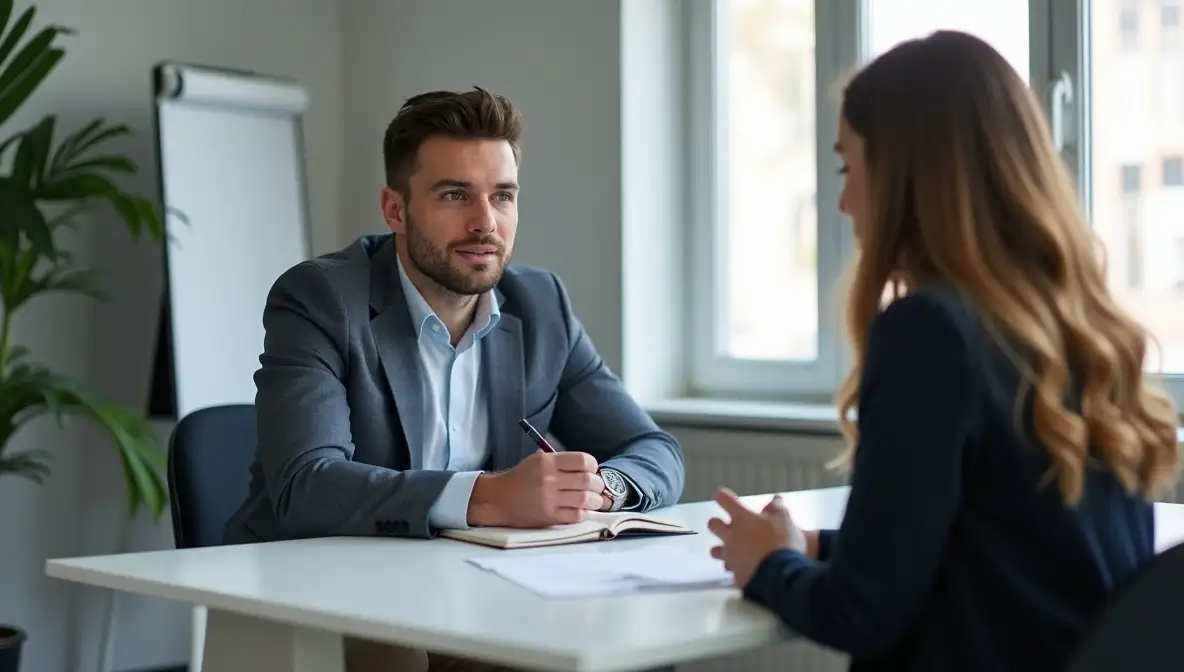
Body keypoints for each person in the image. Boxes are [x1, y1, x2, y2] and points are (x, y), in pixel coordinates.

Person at [707, 30, 1182, 672]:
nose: (844, 203)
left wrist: (769, 566)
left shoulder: (930, 333)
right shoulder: (1085, 332)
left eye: (849, 167)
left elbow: (860, 613)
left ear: (909, 172)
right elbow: (1006, 549)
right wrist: (813, 545)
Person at [223, 87, 684, 671]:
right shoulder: (321, 299)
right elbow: (306, 486)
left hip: (478, 587)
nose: (484, 221)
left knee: (631, 646)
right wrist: (489, 497)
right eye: (454, 195)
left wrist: (601, 490)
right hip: (328, 587)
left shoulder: (541, 304)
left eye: (503, 196)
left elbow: (654, 450)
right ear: (395, 209)